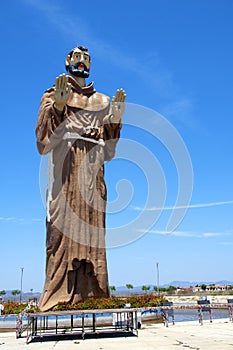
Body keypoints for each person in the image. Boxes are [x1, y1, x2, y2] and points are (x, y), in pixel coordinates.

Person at [36, 46, 126, 311]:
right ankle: (57, 295)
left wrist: (114, 123)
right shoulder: (52, 94)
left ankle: (93, 294)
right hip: (66, 173)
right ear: (67, 61)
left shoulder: (103, 100)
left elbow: (108, 152)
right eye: (77, 57)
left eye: (87, 59)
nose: (82, 62)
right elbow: (43, 143)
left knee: (92, 234)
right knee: (61, 232)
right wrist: (59, 107)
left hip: (93, 176)